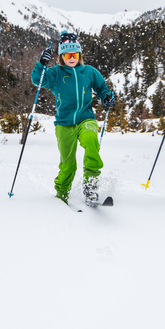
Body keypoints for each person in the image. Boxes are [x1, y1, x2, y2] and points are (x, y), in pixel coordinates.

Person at [31, 30, 115, 205]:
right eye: (68, 54)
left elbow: (102, 88)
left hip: (86, 118)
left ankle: (90, 186)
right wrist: (42, 63)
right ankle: (61, 194)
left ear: (79, 54)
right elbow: (38, 80)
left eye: (75, 54)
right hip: (64, 123)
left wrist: (107, 97)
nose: (72, 57)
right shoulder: (55, 73)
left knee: (91, 141)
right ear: (62, 56)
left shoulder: (89, 72)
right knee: (68, 163)